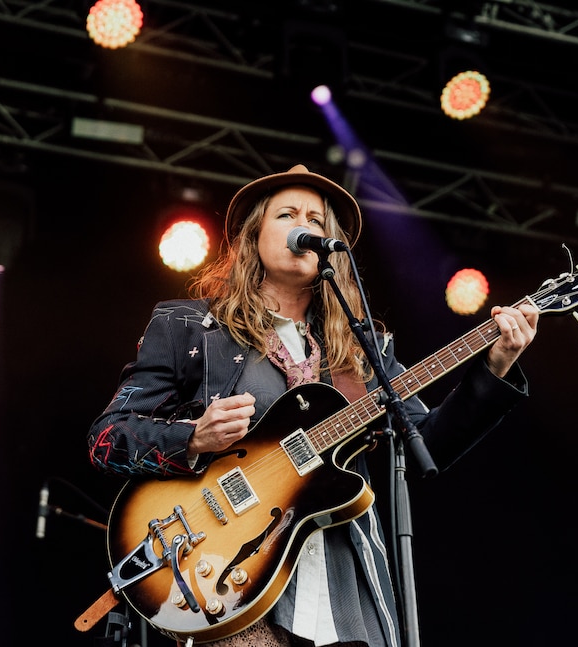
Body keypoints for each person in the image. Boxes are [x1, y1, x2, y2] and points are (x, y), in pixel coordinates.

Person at [87, 164, 539, 647]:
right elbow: (107, 438)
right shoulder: (190, 327)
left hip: (347, 586)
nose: (304, 226)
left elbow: (428, 447)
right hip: (233, 579)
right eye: (287, 214)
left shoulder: (364, 353)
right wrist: (193, 437)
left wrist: (495, 367)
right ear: (252, 236)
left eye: (317, 220)